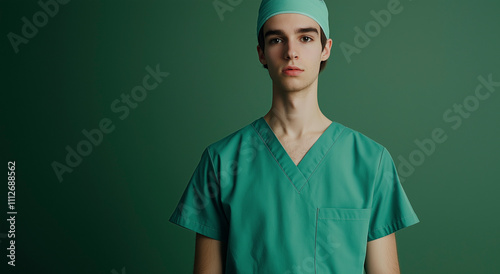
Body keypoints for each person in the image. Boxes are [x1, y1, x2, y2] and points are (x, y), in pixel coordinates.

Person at [169, 0, 420, 273]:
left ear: (325, 49)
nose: (291, 52)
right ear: (262, 53)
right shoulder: (220, 162)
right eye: (277, 39)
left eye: (306, 38)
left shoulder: (371, 162)